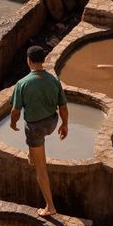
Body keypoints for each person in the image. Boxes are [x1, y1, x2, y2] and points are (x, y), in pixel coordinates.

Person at [10, 45, 68, 216]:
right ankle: (31, 153)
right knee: (34, 137)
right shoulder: (54, 80)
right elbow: (63, 107)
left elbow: (15, 111)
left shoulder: (22, 83)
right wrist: (65, 124)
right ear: (43, 60)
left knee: (40, 169)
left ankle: (50, 207)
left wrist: (13, 123)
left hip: (35, 129)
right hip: (52, 123)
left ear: (28, 60)